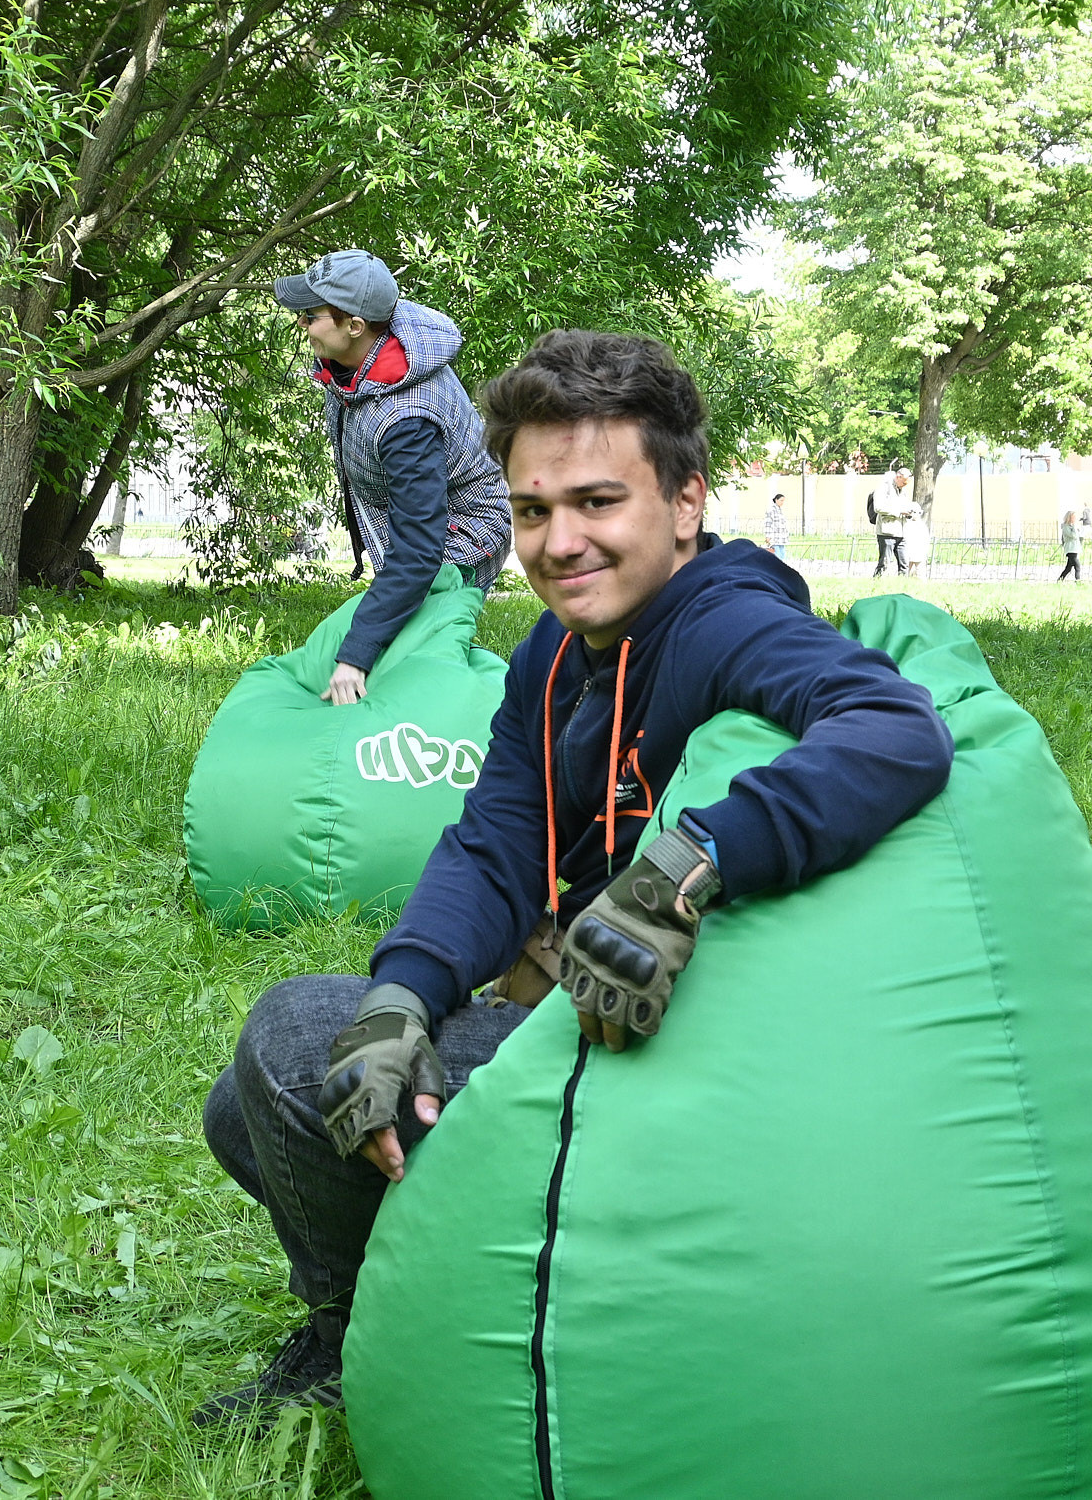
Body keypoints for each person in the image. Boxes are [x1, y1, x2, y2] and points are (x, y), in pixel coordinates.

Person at [195, 331, 955, 1422]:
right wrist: (402, 994)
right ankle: (447, 1306)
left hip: (685, 1060)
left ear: (685, 502)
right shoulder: (549, 658)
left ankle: (362, 1350)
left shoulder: (728, 617)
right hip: (587, 1018)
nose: (559, 542)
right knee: (256, 1101)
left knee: (286, 1040)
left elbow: (895, 728)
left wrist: (689, 865)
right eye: (532, 509)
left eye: (598, 502)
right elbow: (493, 845)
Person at [277, 249, 514, 706]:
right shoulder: (361, 355)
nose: (302, 324)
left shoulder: (408, 419)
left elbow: (420, 549)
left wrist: (356, 656)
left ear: (355, 325)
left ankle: (482, 715)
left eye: (311, 316)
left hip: (464, 529)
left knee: (406, 659)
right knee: (388, 641)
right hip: (419, 525)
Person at [871, 468, 920, 576]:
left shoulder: (903, 490)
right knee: (884, 563)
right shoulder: (884, 487)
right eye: (904, 482)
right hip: (886, 532)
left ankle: (902, 584)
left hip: (901, 533)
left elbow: (905, 506)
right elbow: (878, 507)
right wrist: (899, 511)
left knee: (904, 565)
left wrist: (910, 512)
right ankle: (877, 582)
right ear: (898, 476)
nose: (905, 485)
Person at [1057, 508, 1083, 581]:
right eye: (1073, 517)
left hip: (1075, 548)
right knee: (1077, 566)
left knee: (1068, 568)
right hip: (1070, 549)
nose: (1075, 519)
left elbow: (1079, 535)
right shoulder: (1066, 527)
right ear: (1069, 517)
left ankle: (1060, 580)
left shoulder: (1073, 526)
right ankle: (1078, 580)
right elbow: (1074, 536)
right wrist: (1074, 527)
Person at [764, 491, 791, 561]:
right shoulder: (771, 510)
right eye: (781, 500)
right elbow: (768, 523)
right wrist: (768, 536)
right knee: (777, 555)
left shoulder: (780, 510)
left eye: (783, 501)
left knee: (783, 555)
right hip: (774, 537)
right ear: (776, 500)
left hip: (781, 537)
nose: (782, 502)